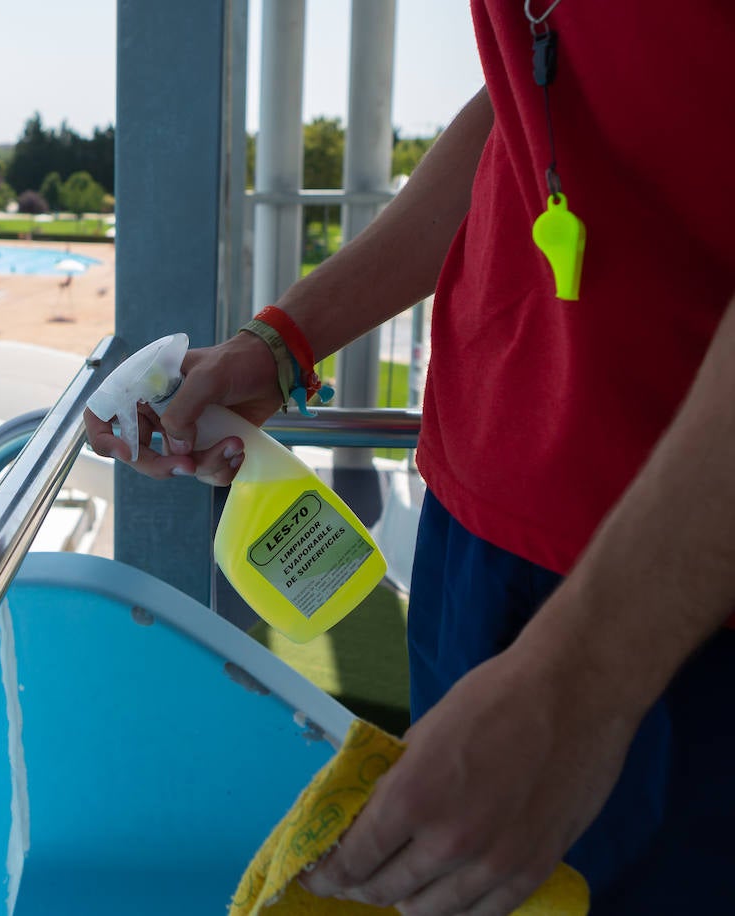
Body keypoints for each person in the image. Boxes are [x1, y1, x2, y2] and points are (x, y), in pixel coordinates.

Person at [86, 3, 733, 913]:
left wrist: (582, 684)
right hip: (474, 527)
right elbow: (526, 104)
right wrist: (283, 341)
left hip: (678, 583)